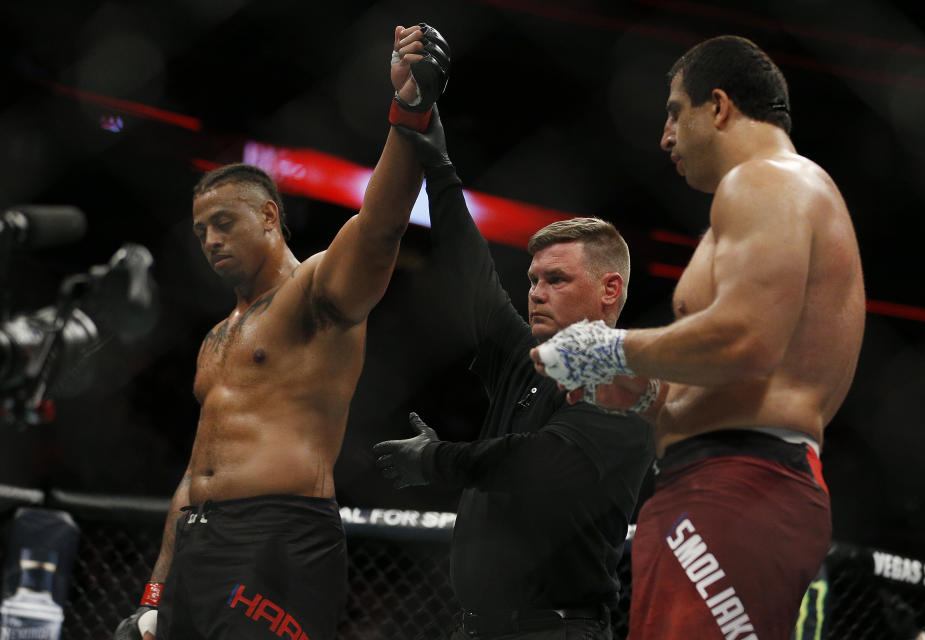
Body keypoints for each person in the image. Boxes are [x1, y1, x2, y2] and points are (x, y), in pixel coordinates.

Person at [113, 23, 451, 640]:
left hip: (278, 539)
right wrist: (154, 591)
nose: (211, 240)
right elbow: (194, 474)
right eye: (200, 231)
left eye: (223, 222)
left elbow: (380, 227)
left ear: (269, 216)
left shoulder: (315, 292)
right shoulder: (217, 336)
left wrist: (411, 111)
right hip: (196, 549)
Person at [531, 35, 865, 639]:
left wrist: (608, 348)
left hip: (740, 483)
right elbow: (739, 365)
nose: (664, 136)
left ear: (718, 106)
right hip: (726, 480)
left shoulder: (765, 179)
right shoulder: (773, 197)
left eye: (674, 111)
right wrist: (639, 391)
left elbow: (746, 341)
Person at [372, 108, 656, 638]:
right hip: (475, 628)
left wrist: (435, 459)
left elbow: (538, 462)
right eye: (532, 279)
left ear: (609, 289)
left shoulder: (627, 382)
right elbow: (470, 272)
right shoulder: (524, 356)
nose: (536, 292)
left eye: (556, 279)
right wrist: (439, 165)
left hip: (554, 631)